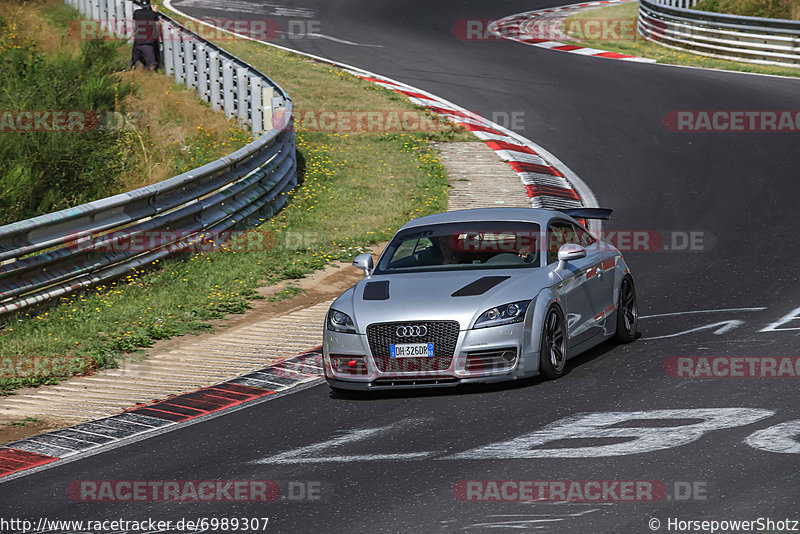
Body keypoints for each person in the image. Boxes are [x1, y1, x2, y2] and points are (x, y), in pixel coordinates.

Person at [130, 0, 160, 70]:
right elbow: (158, 22)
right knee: (152, 64)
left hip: (137, 42)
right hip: (148, 42)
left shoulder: (136, 13)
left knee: (134, 63)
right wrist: (154, 11)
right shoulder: (152, 14)